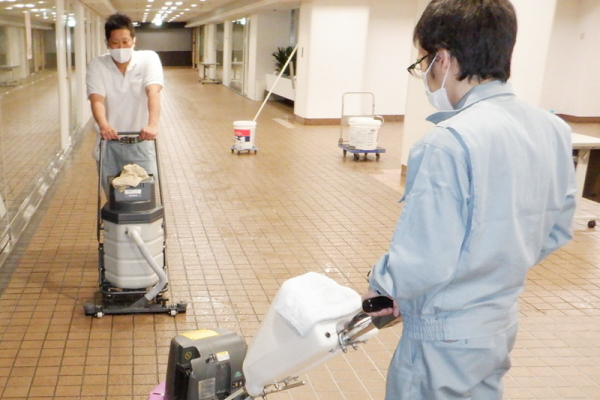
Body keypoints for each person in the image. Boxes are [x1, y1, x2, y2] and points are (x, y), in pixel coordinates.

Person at [362, 1, 576, 399]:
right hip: (497, 325)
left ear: (442, 59)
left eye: (423, 62)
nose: (425, 74)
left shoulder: (448, 142)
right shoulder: (553, 130)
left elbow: (424, 257)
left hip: (442, 336)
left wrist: (383, 286)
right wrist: (496, 263)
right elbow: (558, 228)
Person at [86, 13, 163, 195]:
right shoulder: (97, 64)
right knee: (115, 198)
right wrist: (104, 126)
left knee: (145, 197)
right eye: (115, 43)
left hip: (141, 143)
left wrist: (152, 124)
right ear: (107, 43)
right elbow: (97, 99)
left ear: (134, 40)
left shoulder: (148, 59)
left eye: (125, 42)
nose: (121, 47)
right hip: (110, 144)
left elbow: (153, 92)